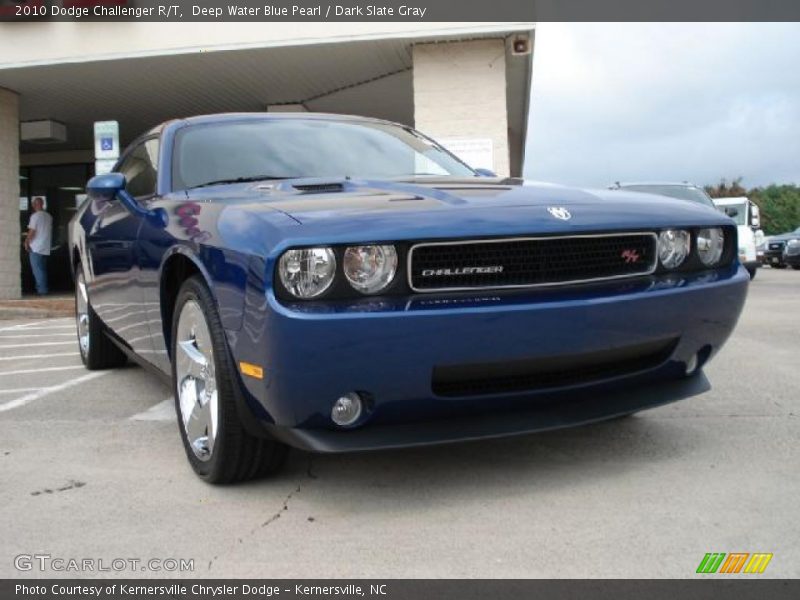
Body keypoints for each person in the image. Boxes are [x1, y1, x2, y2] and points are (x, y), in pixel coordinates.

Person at [23, 197, 53, 295]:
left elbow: (32, 231)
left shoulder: (35, 216)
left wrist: (26, 241)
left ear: (34, 205)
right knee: (42, 270)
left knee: (38, 271)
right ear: (42, 204)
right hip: (45, 247)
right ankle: (43, 289)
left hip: (36, 247)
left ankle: (42, 291)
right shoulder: (49, 216)